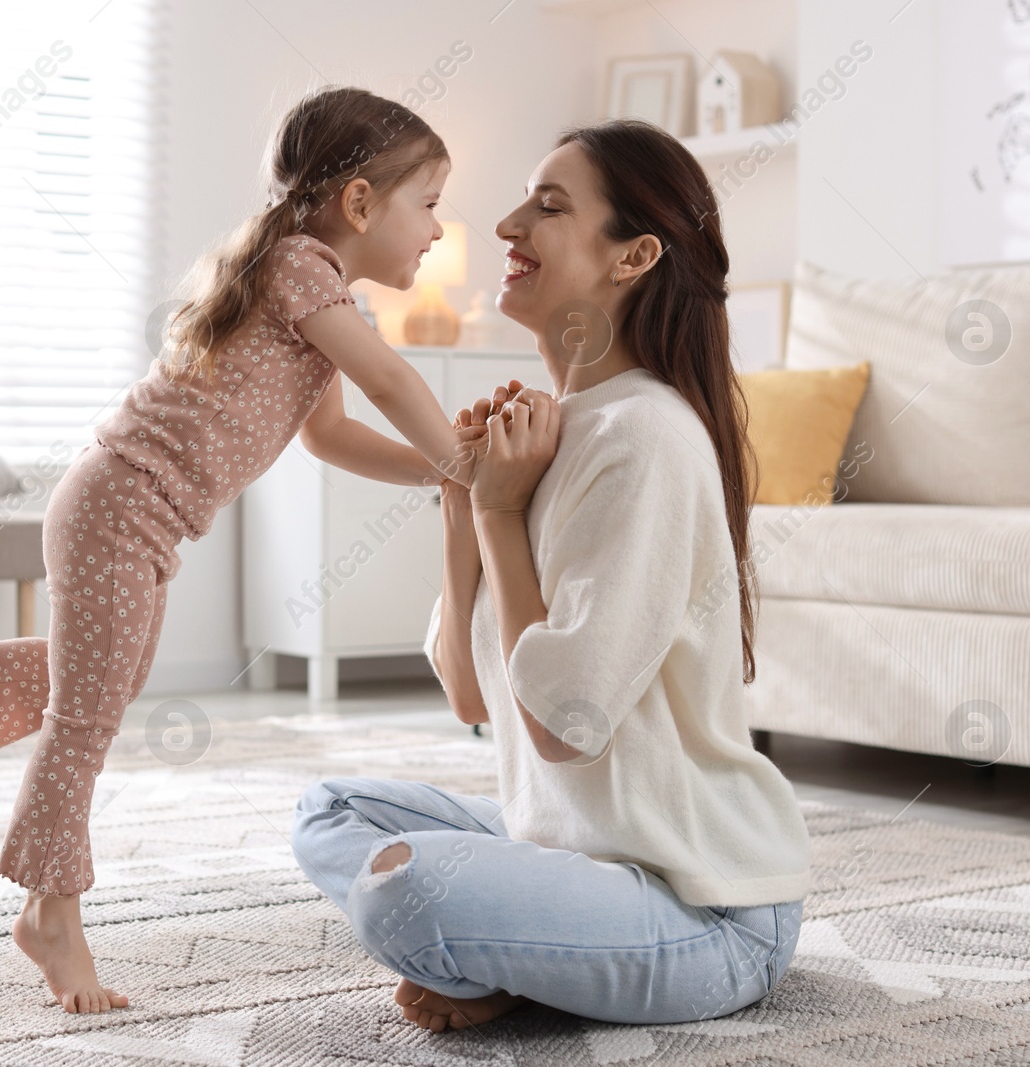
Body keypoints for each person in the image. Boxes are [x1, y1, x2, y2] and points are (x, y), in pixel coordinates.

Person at [0, 86, 487, 1014]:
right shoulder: (299, 266)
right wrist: (459, 457)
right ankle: (51, 912)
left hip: (134, 513)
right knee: (86, 718)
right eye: (429, 203)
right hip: (119, 501)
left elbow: (333, 438)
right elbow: (394, 379)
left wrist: (443, 477)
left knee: (97, 685)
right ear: (360, 203)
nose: (440, 229)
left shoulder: (318, 289)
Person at [290, 120, 814, 1032]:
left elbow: (563, 728)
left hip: (702, 905)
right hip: (574, 850)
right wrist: (465, 501)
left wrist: (502, 515)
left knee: (400, 896)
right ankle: (520, 952)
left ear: (635, 255)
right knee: (331, 812)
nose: (504, 223)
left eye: (549, 205)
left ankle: (510, 953)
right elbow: (467, 693)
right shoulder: (552, 435)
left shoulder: (643, 436)